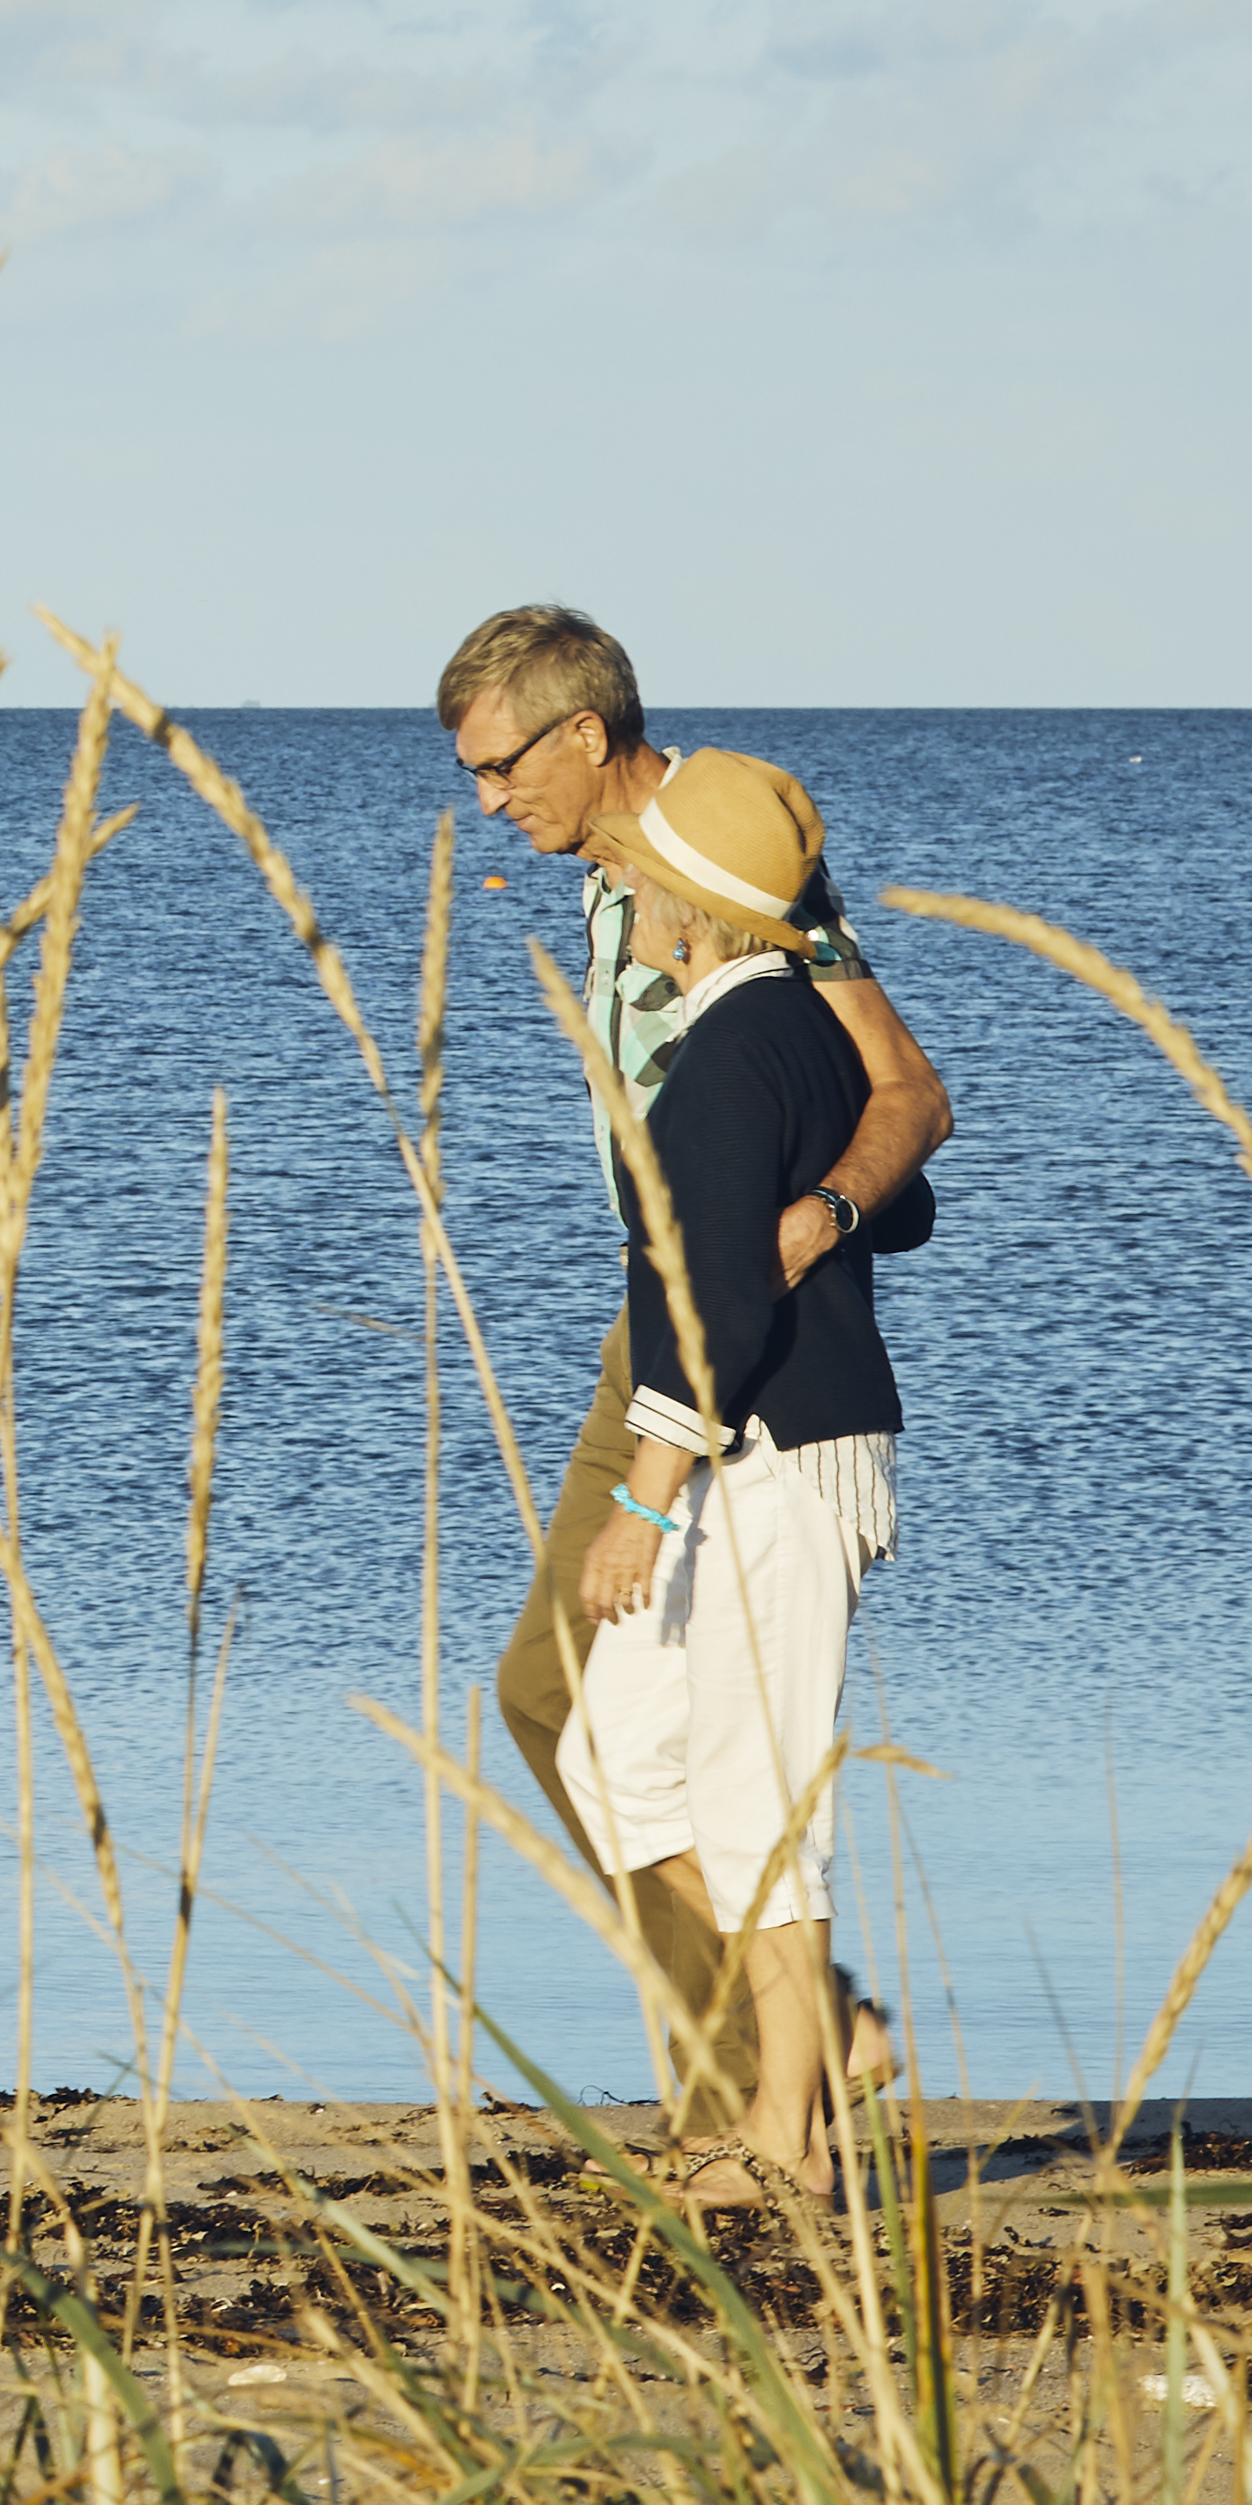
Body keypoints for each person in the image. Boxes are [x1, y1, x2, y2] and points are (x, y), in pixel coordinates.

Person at [435, 605, 948, 2127]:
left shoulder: (733, 862)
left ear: (586, 734)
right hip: (654, 1316)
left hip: (747, 1327)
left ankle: (755, 2093)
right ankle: (801, 2036)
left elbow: (907, 1093)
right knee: (555, 1702)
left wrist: (818, 1220)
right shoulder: (607, 893)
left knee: (681, 1725)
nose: (487, 800)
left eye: (500, 765)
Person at [560, 750, 910, 2198]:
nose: (624, 889)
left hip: (773, 1452)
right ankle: (825, 2037)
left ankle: (789, 2139)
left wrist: (642, 1499)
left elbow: (718, 1304)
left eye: (645, 877)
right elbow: (911, 1197)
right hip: (755, 1443)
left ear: (693, 909)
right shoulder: (789, 1035)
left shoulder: (722, 1058)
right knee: (614, 1754)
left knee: (758, 1796)